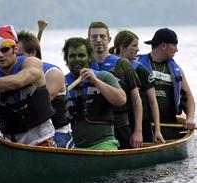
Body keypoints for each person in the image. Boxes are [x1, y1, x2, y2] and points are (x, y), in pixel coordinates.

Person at [63, 37, 126, 150]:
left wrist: (95, 81)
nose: (77, 59)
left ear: (89, 58)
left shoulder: (104, 76)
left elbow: (121, 100)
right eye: (72, 56)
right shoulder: (61, 83)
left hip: (104, 144)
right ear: (66, 60)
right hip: (74, 147)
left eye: (81, 55)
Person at [88, 21, 143, 149]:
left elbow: (136, 99)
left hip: (120, 126)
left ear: (109, 39)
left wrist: (138, 131)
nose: (98, 40)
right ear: (88, 40)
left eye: (102, 36)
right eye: (94, 37)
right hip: (95, 128)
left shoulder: (123, 64)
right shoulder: (85, 66)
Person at [138, 28, 196, 139]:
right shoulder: (137, 63)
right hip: (143, 124)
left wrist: (190, 118)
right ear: (164, 46)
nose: (177, 49)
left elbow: (188, 96)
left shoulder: (177, 69)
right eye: (174, 45)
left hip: (169, 124)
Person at [109, 30, 165, 143]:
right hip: (120, 123)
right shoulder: (109, 67)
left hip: (142, 124)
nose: (138, 49)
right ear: (122, 48)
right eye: (134, 46)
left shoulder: (141, 70)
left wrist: (158, 130)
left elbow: (153, 102)